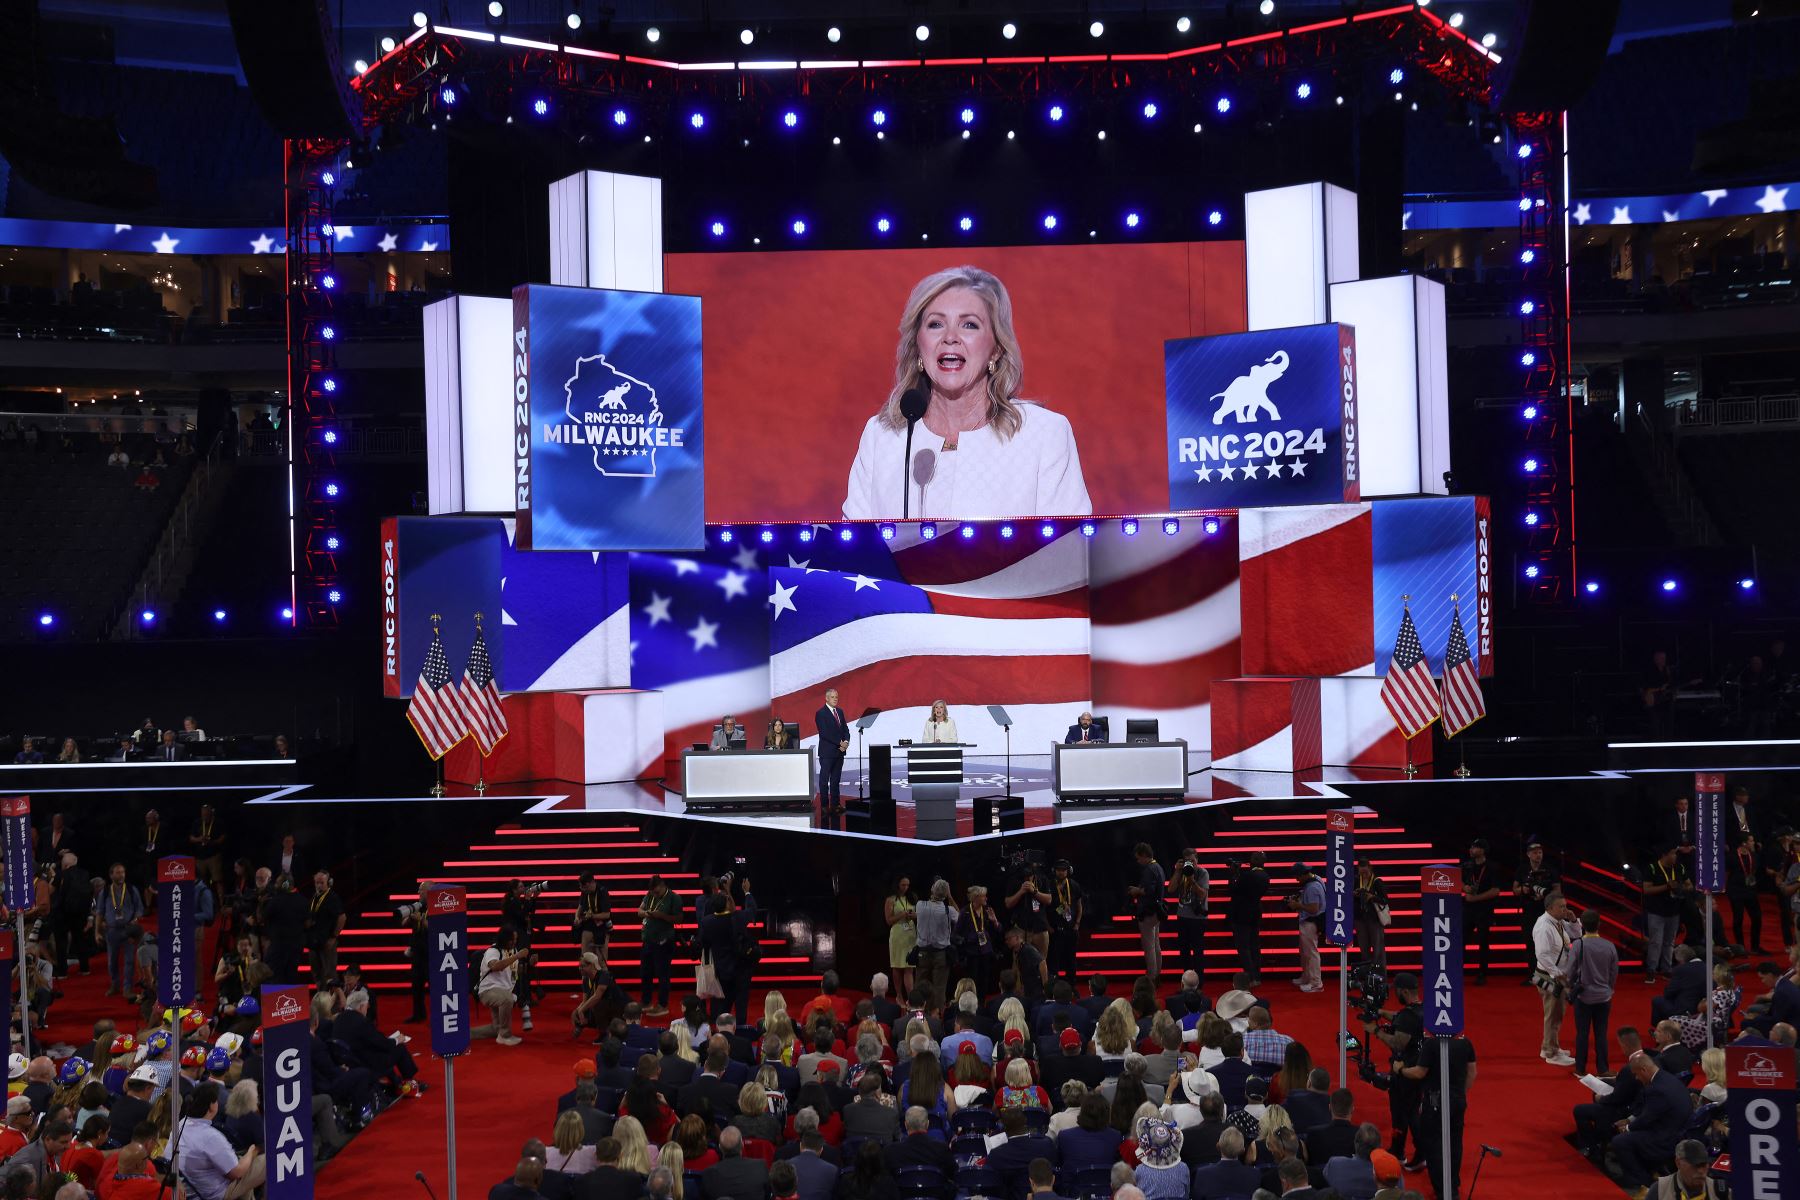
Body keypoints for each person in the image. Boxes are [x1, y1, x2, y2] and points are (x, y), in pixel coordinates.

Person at [842, 265, 1091, 520]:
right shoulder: (883, 436)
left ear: (996, 349)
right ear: (918, 347)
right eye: (936, 324)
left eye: (969, 325)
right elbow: (852, 553)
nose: (950, 337)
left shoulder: (1043, 434)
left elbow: (1067, 550)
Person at [1361, 972, 1425, 1168]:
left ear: (1404, 991)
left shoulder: (1408, 1017)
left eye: (1397, 991)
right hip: (1418, 1069)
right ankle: (1400, 1150)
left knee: (1406, 1114)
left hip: (1405, 1073)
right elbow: (1399, 1017)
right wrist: (1380, 1012)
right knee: (1407, 1112)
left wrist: (1376, 1031)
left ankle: (1418, 1153)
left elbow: (1398, 1043)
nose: (1394, 993)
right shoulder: (1421, 1010)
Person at [1609, 1051, 1689, 1194]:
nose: (1636, 1078)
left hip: (1666, 1138)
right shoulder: (1666, 1078)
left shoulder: (1656, 1089)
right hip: (1676, 1128)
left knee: (1620, 1141)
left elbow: (1647, 1118)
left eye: (1636, 1074)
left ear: (1644, 1070)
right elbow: (1650, 1113)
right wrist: (1630, 1120)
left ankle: (1640, 1180)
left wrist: (1627, 1127)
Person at [176, 1083, 265, 1199]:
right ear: (212, 1106)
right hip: (215, 1194)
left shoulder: (180, 1125)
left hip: (193, 1189)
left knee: (245, 1174)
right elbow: (237, 1173)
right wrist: (253, 1151)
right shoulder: (211, 1136)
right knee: (269, 1159)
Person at [1567, 908, 1620, 1077]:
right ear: (1599, 924)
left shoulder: (1578, 945)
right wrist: (1609, 988)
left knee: (1582, 1033)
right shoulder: (1609, 945)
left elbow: (1570, 970)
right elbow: (1614, 972)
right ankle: (1603, 1068)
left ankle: (1580, 1068)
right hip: (1604, 996)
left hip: (1583, 996)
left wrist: (1570, 985)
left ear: (1582, 925)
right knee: (1601, 1033)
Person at [1532, 891, 1579, 1066]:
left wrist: (1574, 920)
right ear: (1550, 908)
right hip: (1550, 975)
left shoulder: (1558, 921)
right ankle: (1550, 1052)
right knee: (1553, 1014)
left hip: (1557, 973)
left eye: (1565, 905)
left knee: (1557, 1013)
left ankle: (1550, 1046)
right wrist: (1556, 973)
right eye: (1562, 906)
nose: (1565, 909)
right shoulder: (1544, 926)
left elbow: (1576, 934)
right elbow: (1542, 954)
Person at [1641, 845, 1691, 983]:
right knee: (1655, 942)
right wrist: (1666, 887)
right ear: (1664, 855)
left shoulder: (1679, 868)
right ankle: (1651, 970)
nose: (1675, 856)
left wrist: (1680, 887)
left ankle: (1666, 969)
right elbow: (1646, 889)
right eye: (1673, 854)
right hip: (1656, 911)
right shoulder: (1652, 868)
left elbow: (1689, 885)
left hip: (1674, 911)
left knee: (1669, 942)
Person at [474, 927, 527, 1046]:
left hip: (502, 989)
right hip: (488, 991)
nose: (514, 942)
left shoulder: (511, 951)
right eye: (512, 940)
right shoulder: (493, 951)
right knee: (507, 999)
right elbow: (495, 966)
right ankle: (505, 1035)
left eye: (515, 939)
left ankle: (465, 1034)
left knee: (495, 1028)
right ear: (504, 939)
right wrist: (517, 956)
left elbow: (514, 971)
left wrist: (530, 964)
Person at [637, 875, 679, 1017]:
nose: (654, 894)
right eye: (653, 892)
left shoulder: (674, 898)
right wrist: (647, 913)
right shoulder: (650, 894)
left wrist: (661, 915)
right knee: (645, 972)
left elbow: (679, 918)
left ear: (662, 886)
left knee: (663, 974)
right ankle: (646, 1001)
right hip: (648, 940)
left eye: (656, 892)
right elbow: (639, 911)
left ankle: (663, 1004)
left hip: (664, 940)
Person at [1460, 840, 1500, 986]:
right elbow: (1455, 881)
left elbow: (1496, 890)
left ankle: (1482, 973)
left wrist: (1475, 898)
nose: (1471, 849)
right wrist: (1464, 887)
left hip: (1485, 909)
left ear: (1483, 850)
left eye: (1475, 847)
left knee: (1483, 942)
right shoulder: (1466, 866)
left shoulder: (1492, 867)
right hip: (1468, 909)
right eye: (1471, 846)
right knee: (1461, 940)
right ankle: (1458, 971)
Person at [914, 880, 956, 1010]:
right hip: (940, 954)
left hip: (923, 953)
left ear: (932, 890)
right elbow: (960, 918)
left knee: (920, 986)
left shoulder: (920, 905)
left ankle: (918, 1015)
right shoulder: (949, 910)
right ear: (946, 894)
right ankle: (937, 1018)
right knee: (939, 988)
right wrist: (950, 897)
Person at [1127, 844, 1166, 982]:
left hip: (1148, 911)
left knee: (1149, 946)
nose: (1138, 861)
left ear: (1144, 855)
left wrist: (1136, 891)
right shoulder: (1158, 867)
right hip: (1156, 911)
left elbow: (1149, 891)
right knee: (1156, 945)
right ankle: (1157, 975)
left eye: (1138, 858)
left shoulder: (1149, 869)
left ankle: (1151, 977)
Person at [1170, 854, 1209, 978]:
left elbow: (1203, 895)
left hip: (1197, 919)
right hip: (1182, 917)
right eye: (1188, 861)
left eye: (1193, 861)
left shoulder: (1202, 873)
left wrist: (1192, 880)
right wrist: (1177, 871)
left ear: (1197, 860)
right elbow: (1170, 889)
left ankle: (1199, 984)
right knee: (1184, 952)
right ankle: (1186, 983)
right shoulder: (1180, 872)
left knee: (1198, 952)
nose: (1191, 864)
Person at [1046, 860, 1085, 985]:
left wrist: (1077, 923)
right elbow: (1043, 909)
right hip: (1054, 928)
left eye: (1063, 870)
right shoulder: (1049, 885)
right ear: (1054, 871)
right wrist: (1048, 926)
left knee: (1071, 960)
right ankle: (1053, 987)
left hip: (1071, 928)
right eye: (1058, 870)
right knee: (1053, 961)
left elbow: (1079, 905)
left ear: (1068, 871)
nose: (1061, 872)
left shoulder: (1074, 885)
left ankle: (1072, 986)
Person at [306, 870, 345, 986]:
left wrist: (333, 937)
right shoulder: (314, 897)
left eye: (321, 883)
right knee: (317, 974)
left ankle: (334, 1003)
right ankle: (322, 1000)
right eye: (317, 883)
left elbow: (342, 917)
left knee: (329, 974)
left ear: (329, 883)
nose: (319, 885)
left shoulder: (332, 897)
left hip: (327, 942)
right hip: (313, 942)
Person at [1728, 834, 1767, 951]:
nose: (1753, 843)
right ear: (1744, 843)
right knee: (1738, 919)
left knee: (1757, 918)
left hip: (1750, 891)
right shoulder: (1732, 856)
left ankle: (1755, 946)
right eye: (1751, 841)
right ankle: (1741, 947)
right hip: (1736, 891)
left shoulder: (1754, 856)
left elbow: (1757, 871)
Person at [815, 689, 851, 815]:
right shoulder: (820, 713)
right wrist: (839, 743)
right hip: (827, 753)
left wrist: (846, 742)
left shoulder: (840, 712)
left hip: (839, 752)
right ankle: (824, 806)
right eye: (832, 697)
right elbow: (824, 733)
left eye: (836, 697)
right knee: (824, 780)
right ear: (826, 698)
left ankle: (835, 805)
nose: (835, 699)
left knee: (836, 780)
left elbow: (845, 729)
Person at [1653, 1138, 1723, 1199]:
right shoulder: (1659, 1190)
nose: (1700, 1171)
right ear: (1678, 1163)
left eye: (1703, 1164)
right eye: (1695, 1165)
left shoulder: (1721, 1191)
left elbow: (1716, 1148)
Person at [1352, 857, 1389, 970]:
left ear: (1370, 869)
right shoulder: (1356, 881)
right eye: (1361, 872)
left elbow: (1385, 900)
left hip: (1374, 920)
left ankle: (1380, 975)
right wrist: (1355, 894)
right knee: (1364, 948)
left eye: (1365, 872)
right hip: (1360, 919)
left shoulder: (1377, 881)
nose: (1364, 874)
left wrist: (1372, 897)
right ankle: (1368, 975)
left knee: (1378, 949)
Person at [884, 877, 917, 999]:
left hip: (910, 935)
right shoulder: (891, 899)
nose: (905, 887)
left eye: (907, 885)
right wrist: (901, 915)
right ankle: (899, 995)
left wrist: (913, 915)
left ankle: (911, 997)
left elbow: (918, 914)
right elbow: (888, 920)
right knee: (897, 966)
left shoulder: (912, 897)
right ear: (897, 885)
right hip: (898, 935)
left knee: (909, 967)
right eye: (903, 885)